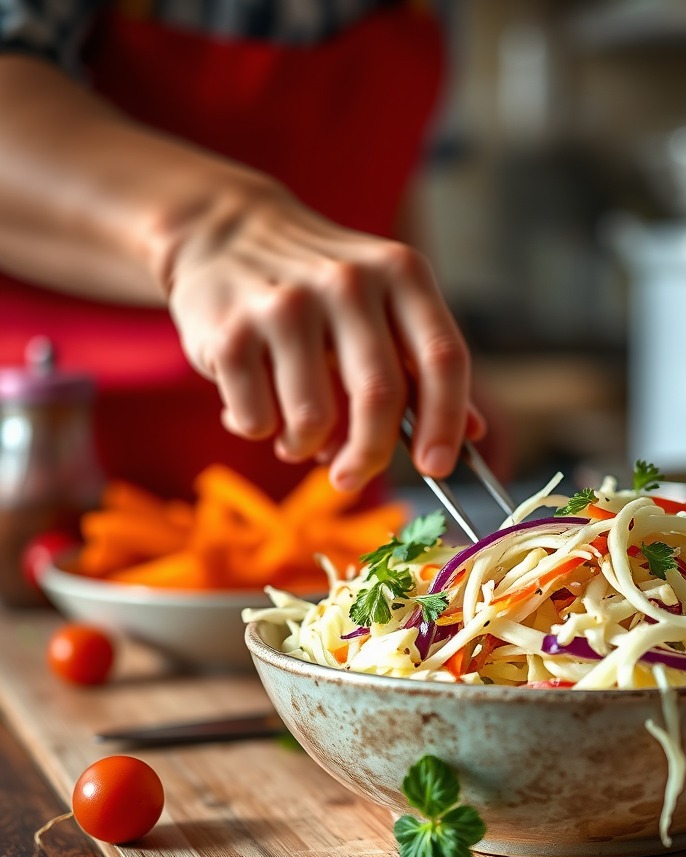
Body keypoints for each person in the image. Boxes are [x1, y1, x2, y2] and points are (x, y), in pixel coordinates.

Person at [0, 0, 483, 501]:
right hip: (46, 480)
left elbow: (382, 173)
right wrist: (210, 224)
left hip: (330, 487)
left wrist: (426, 355)